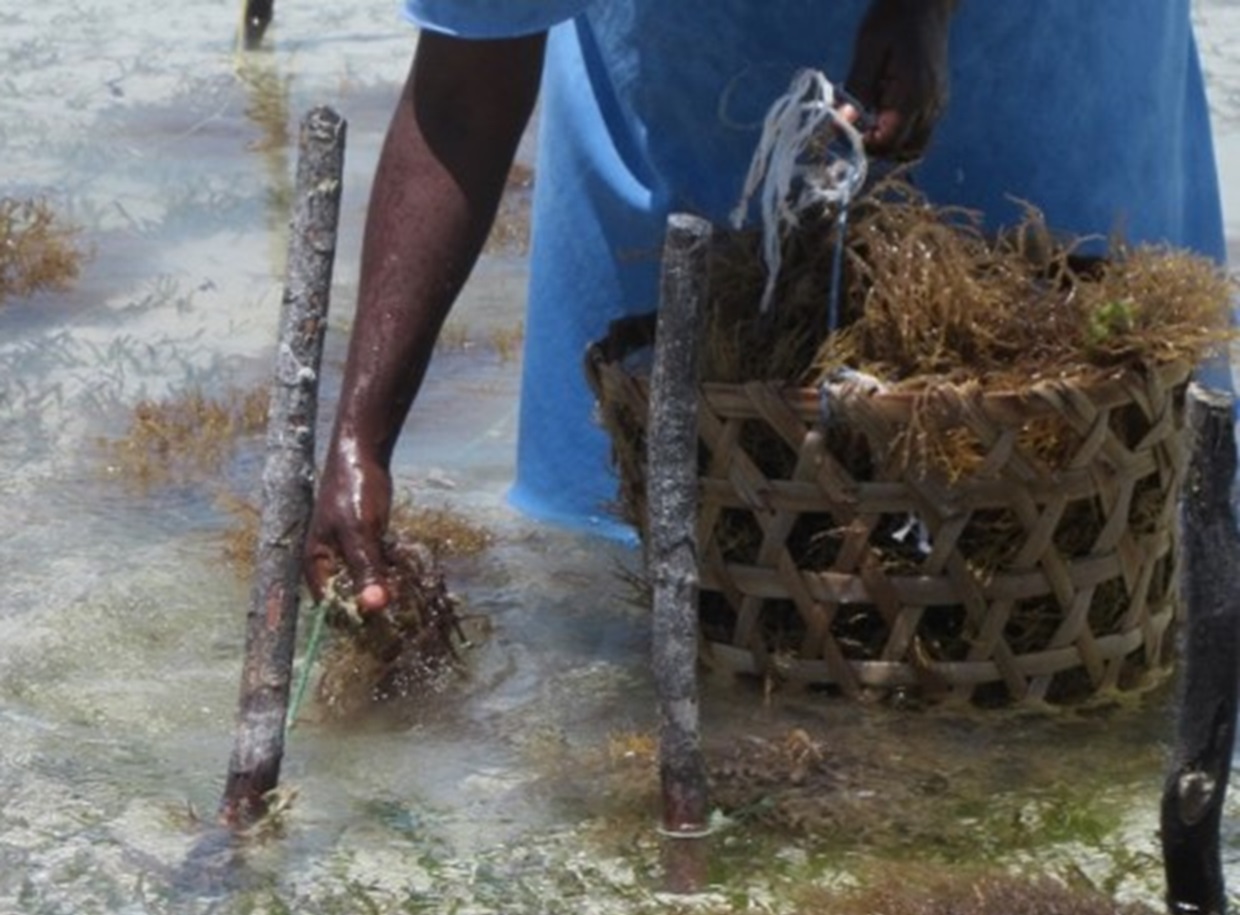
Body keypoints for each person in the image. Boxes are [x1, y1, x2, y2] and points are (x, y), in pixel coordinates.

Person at [305, 1, 1231, 611]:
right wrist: (361, 435)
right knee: (623, 583)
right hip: (687, 84)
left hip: (1030, 68)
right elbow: (468, 86)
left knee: (1073, 549)